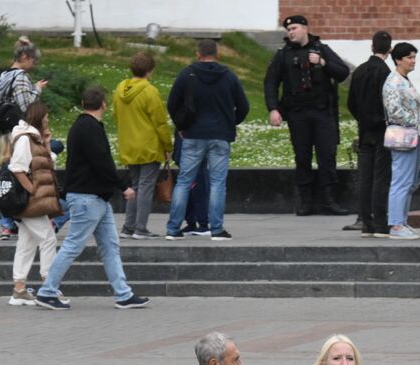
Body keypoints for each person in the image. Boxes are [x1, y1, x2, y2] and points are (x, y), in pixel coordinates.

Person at [33, 87, 149, 311]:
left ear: (84, 103)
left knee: (110, 246)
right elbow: (102, 161)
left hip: (96, 198)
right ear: (104, 104)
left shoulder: (81, 126)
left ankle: (123, 294)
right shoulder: (89, 128)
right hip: (88, 197)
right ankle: (47, 291)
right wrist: (123, 186)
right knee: (73, 245)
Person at [263, 14, 351, 215]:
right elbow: (270, 82)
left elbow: (343, 72)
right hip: (297, 113)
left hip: (322, 113)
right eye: (288, 30)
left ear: (305, 28)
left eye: (294, 28)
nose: (291, 32)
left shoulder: (321, 49)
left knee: (326, 156)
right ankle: (305, 202)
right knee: (302, 157)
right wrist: (273, 108)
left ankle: (329, 201)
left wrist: (322, 62)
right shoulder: (283, 54)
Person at [166, 39, 249, 242]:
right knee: (218, 183)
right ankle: (217, 229)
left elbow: (172, 103)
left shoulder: (187, 74)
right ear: (217, 54)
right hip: (220, 135)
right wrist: (230, 122)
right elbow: (244, 106)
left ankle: (173, 228)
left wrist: (182, 126)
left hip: (193, 135)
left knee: (184, 181)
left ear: (198, 54)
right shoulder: (228, 76)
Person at [3, 102, 61, 306]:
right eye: (45, 116)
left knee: (27, 243)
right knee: (48, 239)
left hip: (32, 201)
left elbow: (47, 163)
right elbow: (17, 167)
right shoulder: (25, 138)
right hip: (30, 201)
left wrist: (46, 142)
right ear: (39, 117)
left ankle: (19, 289)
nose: (47, 119)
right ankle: (48, 286)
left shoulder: (34, 137)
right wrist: (32, 191)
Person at [113, 52, 172, 240]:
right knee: (145, 187)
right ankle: (140, 227)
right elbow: (160, 123)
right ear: (149, 71)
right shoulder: (150, 91)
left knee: (135, 186)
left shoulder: (119, 90)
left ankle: (128, 227)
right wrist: (167, 146)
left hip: (128, 145)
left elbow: (117, 116)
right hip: (148, 146)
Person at [0, 39, 47, 242]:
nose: (33, 65)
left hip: (4, 134)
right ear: (25, 57)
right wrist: (37, 89)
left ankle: (5, 225)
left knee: (4, 178)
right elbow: (27, 107)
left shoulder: (3, 76)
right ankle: (17, 219)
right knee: (18, 173)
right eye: (33, 60)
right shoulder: (22, 77)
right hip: (18, 134)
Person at [346, 31, 394, 237]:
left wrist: (362, 119)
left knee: (365, 177)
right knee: (381, 178)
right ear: (390, 50)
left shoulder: (359, 71)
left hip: (364, 130)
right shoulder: (387, 73)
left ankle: (366, 221)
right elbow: (389, 103)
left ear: (371, 47)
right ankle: (380, 222)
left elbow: (351, 103)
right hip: (382, 131)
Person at [381, 42, 420, 241]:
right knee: (401, 180)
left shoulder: (404, 80)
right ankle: (396, 224)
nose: (413, 61)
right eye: (409, 57)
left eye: (414, 57)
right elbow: (394, 111)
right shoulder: (393, 82)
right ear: (398, 59)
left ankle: (402, 220)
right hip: (404, 135)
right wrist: (416, 123)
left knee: (408, 181)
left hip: (412, 136)